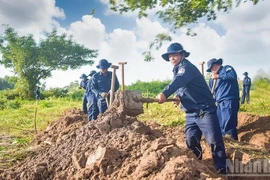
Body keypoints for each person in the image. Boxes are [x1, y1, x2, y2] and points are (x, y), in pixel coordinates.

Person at [156, 42, 226, 174]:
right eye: (170, 56)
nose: (172, 58)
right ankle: (197, 167)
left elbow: (178, 82)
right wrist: (178, 96)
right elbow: (182, 87)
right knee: (191, 141)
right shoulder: (177, 69)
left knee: (214, 141)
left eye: (174, 55)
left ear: (182, 55)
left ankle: (222, 170)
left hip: (204, 110)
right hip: (190, 113)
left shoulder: (186, 68)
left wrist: (164, 93)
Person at [207, 58, 239, 141]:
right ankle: (225, 143)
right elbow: (211, 91)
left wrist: (219, 76)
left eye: (212, 68)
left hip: (229, 100)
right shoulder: (212, 79)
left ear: (215, 65)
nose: (211, 70)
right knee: (220, 125)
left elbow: (232, 76)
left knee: (229, 124)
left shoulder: (227, 69)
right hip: (219, 103)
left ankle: (233, 142)